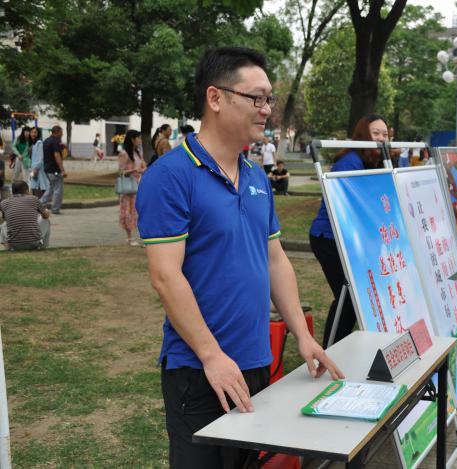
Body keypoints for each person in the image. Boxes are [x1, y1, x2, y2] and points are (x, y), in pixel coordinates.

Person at [136, 46, 342, 468]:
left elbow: (275, 260)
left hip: (256, 361)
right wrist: (211, 356)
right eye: (256, 98)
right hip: (199, 369)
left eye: (269, 99)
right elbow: (165, 276)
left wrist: (302, 335)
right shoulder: (170, 176)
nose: (266, 109)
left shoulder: (256, 176)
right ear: (215, 98)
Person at [309, 113, 388, 347]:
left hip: (352, 239)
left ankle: (338, 349)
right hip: (329, 239)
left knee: (354, 300)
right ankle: (330, 351)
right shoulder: (350, 162)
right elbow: (348, 206)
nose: (381, 139)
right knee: (347, 299)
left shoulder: (376, 161)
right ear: (363, 135)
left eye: (385, 134)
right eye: (376, 133)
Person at [0, 180, 51, 250]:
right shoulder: (34, 199)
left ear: (12, 191)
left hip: (14, 245)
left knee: (3, 224)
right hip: (34, 243)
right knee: (46, 220)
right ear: (27, 190)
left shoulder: (4, 203)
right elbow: (46, 216)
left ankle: (8, 248)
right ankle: (43, 246)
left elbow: (4, 218)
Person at [118, 129, 145, 246]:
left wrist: (143, 169)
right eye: (138, 138)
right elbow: (121, 172)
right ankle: (130, 237)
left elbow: (143, 166)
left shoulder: (137, 153)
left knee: (138, 211)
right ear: (132, 139)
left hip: (139, 185)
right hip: (129, 187)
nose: (140, 140)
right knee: (128, 211)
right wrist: (135, 170)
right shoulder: (124, 153)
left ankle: (140, 236)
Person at [39, 126, 66, 215]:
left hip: (47, 169)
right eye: (61, 132)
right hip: (55, 170)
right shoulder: (55, 142)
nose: (62, 134)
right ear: (57, 132)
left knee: (50, 189)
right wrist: (62, 170)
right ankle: (55, 209)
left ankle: (39, 205)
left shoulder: (46, 141)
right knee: (58, 190)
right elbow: (56, 155)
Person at [28, 127, 49, 198]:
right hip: (33, 169)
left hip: (38, 169)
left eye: (35, 132)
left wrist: (35, 168)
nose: (33, 134)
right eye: (32, 132)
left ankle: (40, 204)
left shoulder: (39, 143)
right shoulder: (32, 143)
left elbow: (40, 158)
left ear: (38, 134)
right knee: (34, 188)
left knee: (38, 188)